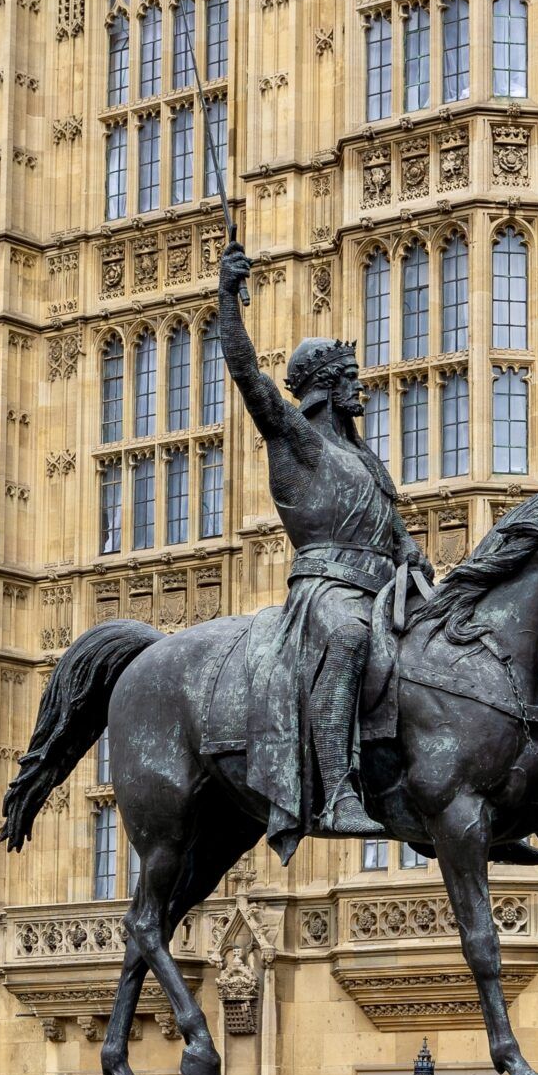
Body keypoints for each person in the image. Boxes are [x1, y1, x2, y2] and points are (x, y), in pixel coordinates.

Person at [216, 242, 429, 853]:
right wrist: (228, 298)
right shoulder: (297, 442)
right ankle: (336, 791)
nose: (360, 389)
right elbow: (248, 375)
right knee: (349, 636)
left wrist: (411, 552)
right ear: (326, 388)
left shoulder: (362, 458)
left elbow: (389, 528)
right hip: (327, 591)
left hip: (382, 586)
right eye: (350, 380)